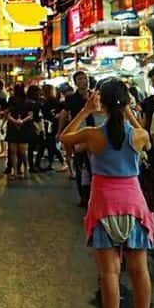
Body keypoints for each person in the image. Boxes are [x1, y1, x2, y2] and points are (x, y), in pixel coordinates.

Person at [60, 80, 154, 308]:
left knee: (109, 273)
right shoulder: (139, 135)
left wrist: (85, 110)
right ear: (127, 102)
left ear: (100, 102)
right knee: (139, 271)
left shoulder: (92, 134)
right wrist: (127, 111)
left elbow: (64, 137)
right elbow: (143, 136)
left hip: (103, 204)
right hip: (134, 203)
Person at [62, 71, 100, 206]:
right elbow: (65, 115)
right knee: (80, 164)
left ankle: (94, 195)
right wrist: (61, 132)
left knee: (94, 166)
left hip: (96, 132)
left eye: (85, 78)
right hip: (79, 134)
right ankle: (84, 196)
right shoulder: (71, 99)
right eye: (80, 79)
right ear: (75, 82)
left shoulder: (95, 96)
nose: (84, 81)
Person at [5, 84, 35, 179]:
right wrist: (21, 121)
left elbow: (8, 114)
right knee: (23, 151)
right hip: (24, 127)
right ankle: (25, 170)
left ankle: (15, 172)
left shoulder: (11, 100)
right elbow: (31, 115)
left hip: (12, 127)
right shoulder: (28, 101)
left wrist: (15, 121)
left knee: (13, 152)